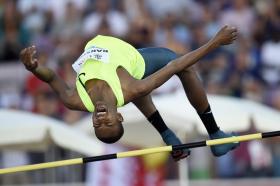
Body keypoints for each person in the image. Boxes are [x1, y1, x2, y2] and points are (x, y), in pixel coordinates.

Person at [20, 25, 239, 161]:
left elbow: (50, 78)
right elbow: (174, 65)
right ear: (119, 117)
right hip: (135, 61)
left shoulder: (74, 100)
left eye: (98, 124)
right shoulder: (131, 88)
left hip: (112, 57)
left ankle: (167, 135)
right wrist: (215, 42)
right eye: (109, 123)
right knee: (180, 68)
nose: (101, 119)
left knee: (135, 92)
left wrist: (33, 67)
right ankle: (215, 133)